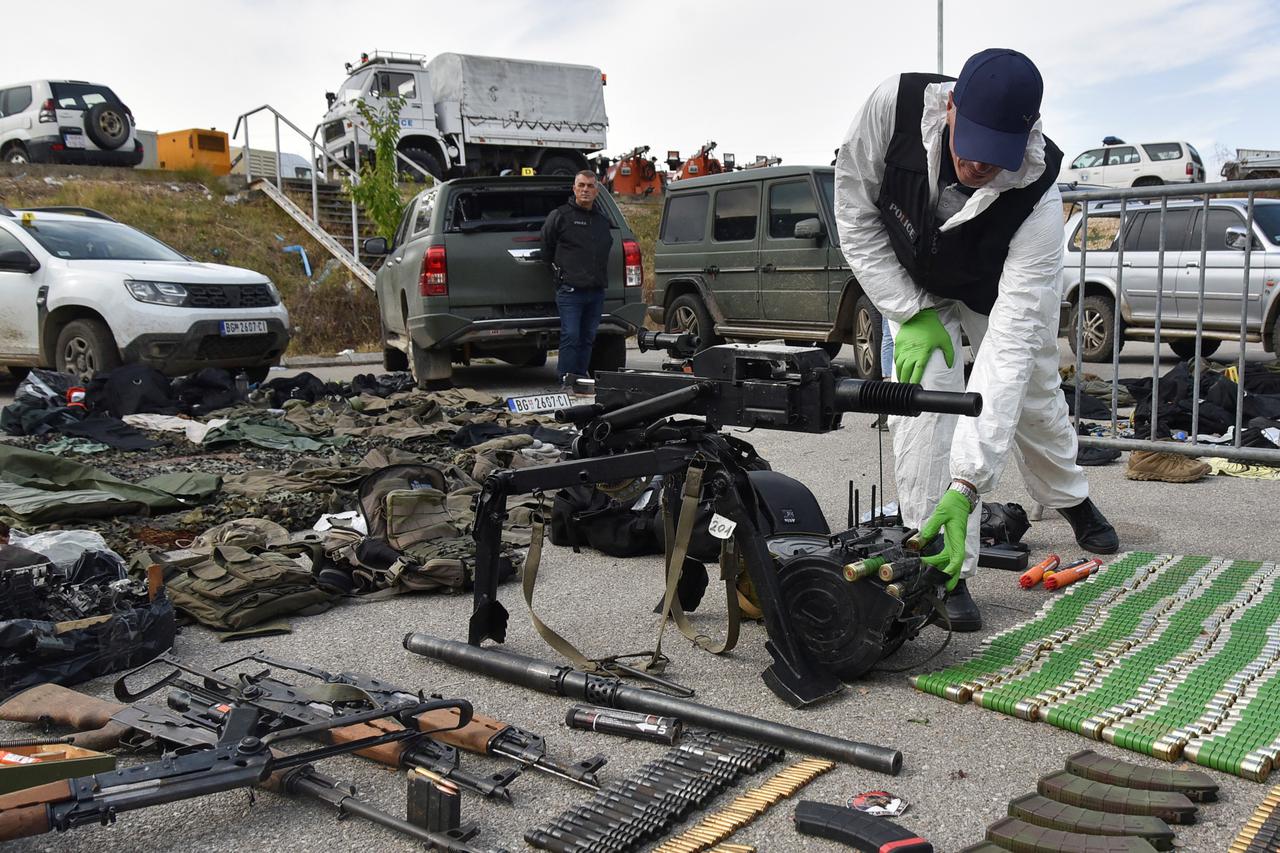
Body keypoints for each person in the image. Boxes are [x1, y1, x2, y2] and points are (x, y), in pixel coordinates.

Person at [834, 48, 1118, 632]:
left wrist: (969, 485)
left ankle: (1069, 495)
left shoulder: (1038, 196)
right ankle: (942, 569)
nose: (978, 166)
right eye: (971, 146)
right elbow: (855, 214)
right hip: (914, 283)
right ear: (951, 105)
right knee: (924, 397)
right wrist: (906, 312)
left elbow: (1008, 354)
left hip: (993, 289)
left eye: (996, 157)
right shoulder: (893, 109)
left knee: (1032, 395)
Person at [541, 170, 613, 394]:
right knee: (571, 335)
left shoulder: (602, 221)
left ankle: (581, 380)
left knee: (588, 337)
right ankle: (566, 381)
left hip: (596, 291)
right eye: (581, 185)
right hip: (570, 290)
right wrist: (559, 273)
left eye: (590, 186)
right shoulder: (560, 216)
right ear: (574, 188)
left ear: (597, 191)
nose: (585, 190)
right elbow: (546, 247)